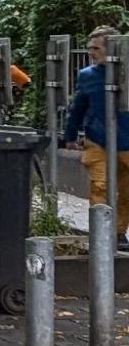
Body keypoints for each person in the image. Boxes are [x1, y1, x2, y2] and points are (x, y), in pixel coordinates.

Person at [63, 26, 129, 250]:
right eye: (89, 48)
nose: (91, 53)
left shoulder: (126, 74)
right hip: (97, 139)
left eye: (96, 48)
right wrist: (70, 135)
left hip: (127, 140)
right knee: (99, 187)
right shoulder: (87, 76)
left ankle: (119, 232)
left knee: (127, 190)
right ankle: (102, 233)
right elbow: (77, 107)